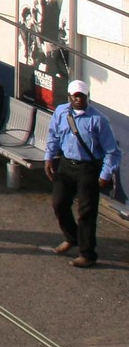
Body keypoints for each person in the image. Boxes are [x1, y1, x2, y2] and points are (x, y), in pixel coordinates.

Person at [43, 79, 122, 268]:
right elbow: (53, 135)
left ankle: (87, 254)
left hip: (87, 168)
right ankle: (72, 236)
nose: (78, 99)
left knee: (86, 212)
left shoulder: (98, 120)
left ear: (87, 97)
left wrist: (104, 174)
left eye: (82, 96)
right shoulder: (61, 112)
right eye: (75, 96)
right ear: (69, 96)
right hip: (66, 164)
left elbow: (113, 151)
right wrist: (49, 157)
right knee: (59, 203)